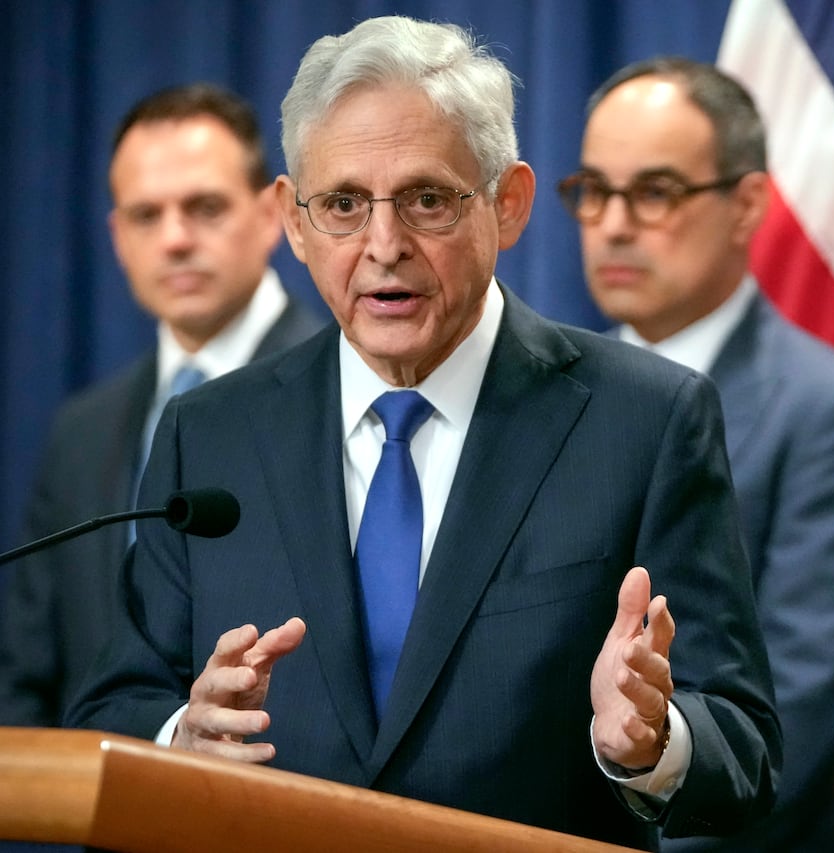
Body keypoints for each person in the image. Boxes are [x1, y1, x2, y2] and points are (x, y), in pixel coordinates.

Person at [65, 17, 780, 849]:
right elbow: (113, 709)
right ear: (294, 223)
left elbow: (745, 750)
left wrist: (652, 743)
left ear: (507, 204)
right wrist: (184, 737)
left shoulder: (646, 419)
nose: (383, 246)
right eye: (341, 204)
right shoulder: (209, 431)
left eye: (427, 199)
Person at [560, 57, 834, 851]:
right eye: (594, 190)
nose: (614, 224)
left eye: (655, 192)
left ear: (747, 203)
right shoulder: (541, 397)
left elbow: (796, 723)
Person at [0, 83, 324, 728]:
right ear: (118, 237)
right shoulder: (81, 432)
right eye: (146, 215)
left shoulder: (345, 387)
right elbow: (24, 677)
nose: (174, 239)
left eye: (204, 207)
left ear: (272, 215)